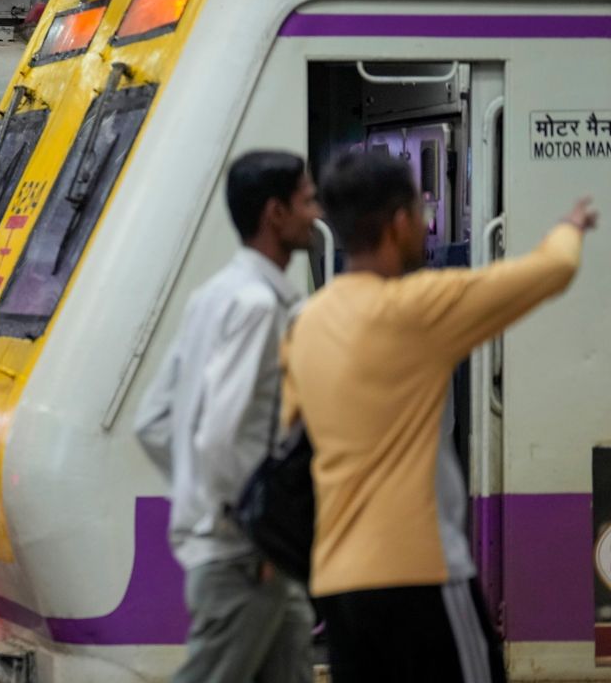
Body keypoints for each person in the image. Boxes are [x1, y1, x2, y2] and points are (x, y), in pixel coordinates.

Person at [283, 152, 596, 683]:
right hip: (421, 571)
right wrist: (569, 228)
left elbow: (284, 435)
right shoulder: (417, 307)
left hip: (338, 580)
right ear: (400, 222)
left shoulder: (306, 322)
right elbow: (552, 271)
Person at [135, 151, 319, 683]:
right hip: (244, 558)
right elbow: (221, 436)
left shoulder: (213, 296)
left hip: (242, 552)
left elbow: (154, 421)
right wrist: (248, 529)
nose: (317, 212)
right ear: (274, 214)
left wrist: (199, 496)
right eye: (307, 200)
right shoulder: (260, 306)